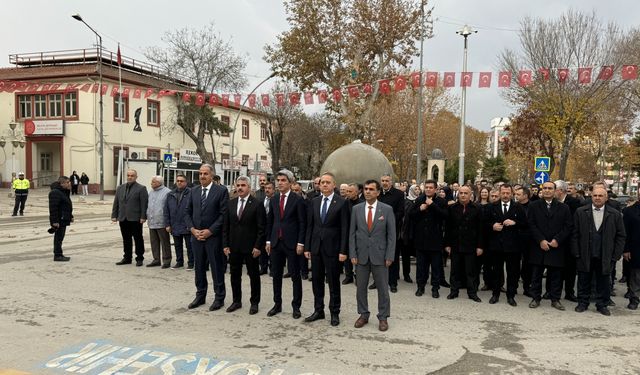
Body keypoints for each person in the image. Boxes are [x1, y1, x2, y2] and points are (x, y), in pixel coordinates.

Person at [304, 172, 350, 327]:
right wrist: (307, 247)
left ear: (334, 185)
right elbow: (310, 225)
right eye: (322, 182)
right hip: (316, 248)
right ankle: (319, 310)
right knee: (316, 281)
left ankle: (334, 312)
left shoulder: (342, 203)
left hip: (333, 249)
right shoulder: (314, 201)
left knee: (333, 281)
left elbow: (345, 229)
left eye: (327, 182)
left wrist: (343, 251)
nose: (324, 184)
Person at [350, 179, 396, 332]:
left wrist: (390, 255)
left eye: (371, 189)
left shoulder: (387, 210)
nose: (367, 191)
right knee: (360, 288)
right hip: (361, 255)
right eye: (366, 189)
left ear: (378, 192)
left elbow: (391, 235)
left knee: (383, 288)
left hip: (380, 256)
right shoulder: (356, 209)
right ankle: (363, 314)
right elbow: (352, 234)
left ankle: (383, 317)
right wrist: (353, 253)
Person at [572, 187, 626, 316]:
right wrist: (576, 252)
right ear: (591, 197)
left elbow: (621, 236)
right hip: (585, 253)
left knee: (604, 281)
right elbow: (574, 234)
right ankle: (583, 302)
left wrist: (616, 255)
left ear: (606, 198)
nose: (597, 198)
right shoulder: (580, 212)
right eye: (595, 195)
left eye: (600, 196)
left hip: (605, 255)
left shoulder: (615, 214)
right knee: (583, 279)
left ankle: (602, 304)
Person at [184, 164, 229, 311]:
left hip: (213, 237)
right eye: (200, 174)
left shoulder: (221, 191)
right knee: (199, 268)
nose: (202, 176)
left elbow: (224, 215)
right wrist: (192, 229)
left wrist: (210, 231)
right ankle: (200, 295)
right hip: (196, 236)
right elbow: (187, 212)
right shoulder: (193, 191)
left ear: (211, 176)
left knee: (216, 268)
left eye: (205, 174)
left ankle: (219, 297)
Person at [265, 169, 307, 319]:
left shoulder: (298, 200)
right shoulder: (274, 199)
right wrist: (269, 240)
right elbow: (270, 221)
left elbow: (303, 223)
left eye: (283, 180)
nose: (280, 183)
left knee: (295, 276)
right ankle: (277, 304)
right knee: (276, 275)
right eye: (278, 180)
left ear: (290, 183)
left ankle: (296, 306)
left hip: (292, 243)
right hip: (276, 242)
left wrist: (301, 242)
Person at [223, 176, 266, 315]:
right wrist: (225, 245)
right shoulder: (231, 203)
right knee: (234, 275)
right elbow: (226, 227)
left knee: (253, 275)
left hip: (251, 247)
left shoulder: (257, 204)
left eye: (243, 185)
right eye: (238, 185)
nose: (240, 188)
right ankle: (236, 301)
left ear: (249, 187)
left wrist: (258, 246)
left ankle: (255, 302)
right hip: (234, 246)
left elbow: (261, 228)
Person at [527, 181, 573, 311]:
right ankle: (535, 298)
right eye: (545, 188)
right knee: (536, 274)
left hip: (556, 246)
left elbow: (568, 226)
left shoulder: (564, 207)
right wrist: (541, 240)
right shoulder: (534, 206)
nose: (547, 190)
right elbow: (531, 224)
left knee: (556, 275)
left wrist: (557, 240)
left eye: (550, 188)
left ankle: (555, 299)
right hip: (538, 246)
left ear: (555, 190)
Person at [486, 184, 526, 306]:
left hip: (513, 246)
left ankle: (511, 295)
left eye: (507, 193)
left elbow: (525, 224)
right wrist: (492, 226)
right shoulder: (492, 207)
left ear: (511, 193)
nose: (505, 195)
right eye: (503, 193)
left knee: (512, 272)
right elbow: (484, 223)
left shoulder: (518, 207)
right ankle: (495, 294)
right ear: (499, 193)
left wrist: (515, 222)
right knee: (497, 271)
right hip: (496, 245)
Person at [409, 179, 448, 298]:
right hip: (421, 240)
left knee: (436, 267)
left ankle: (435, 288)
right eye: (426, 187)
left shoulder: (441, 201)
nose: (428, 189)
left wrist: (433, 205)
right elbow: (411, 216)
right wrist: (419, 210)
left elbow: (445, 216)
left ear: (435, 189)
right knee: (421, 266)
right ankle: (420, 287)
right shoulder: (419, 200)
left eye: (431, 187)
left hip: (435, 240)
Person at [445, 185, 484, 302]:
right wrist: (447, 244)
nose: (463, 195)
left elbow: (481, 229)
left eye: (465, 193)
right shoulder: (452, 208)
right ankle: (454, 291)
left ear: (470, 194)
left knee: (470, 271)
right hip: (456, 244)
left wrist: (480, 246)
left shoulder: (477, 208)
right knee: (455, 270)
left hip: (471, 245)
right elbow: (448, 227)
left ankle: (472, 293)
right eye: (461, 193)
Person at [112, 169, 148, 266]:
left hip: (136, 218)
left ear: (136, 177)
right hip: (123, 218)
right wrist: (114, 215)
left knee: (138, 238)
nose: (130, 177)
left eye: (132, 175)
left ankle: (139, 258)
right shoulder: (120, 188)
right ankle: (127, 257)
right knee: (126, 239)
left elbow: (144, 204)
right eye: (128, 175)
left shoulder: (141, 188)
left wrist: (143, 216)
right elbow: (116, 203)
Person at [555, 180, 582, 302]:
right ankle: (553, 291)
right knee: (555, 268)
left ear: (560, 191)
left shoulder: (575, 202)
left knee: (570, 269)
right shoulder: (553, 202)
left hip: (569, 241)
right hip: (555, 241)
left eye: (554, 189)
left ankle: (569, 292)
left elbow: (573, 223)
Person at [378, 174, 405, 293]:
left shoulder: (398, 194)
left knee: (392, 257)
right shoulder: (377, 193)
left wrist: (387, 220)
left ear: (391, 182)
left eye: (387, 181)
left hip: (392, 229)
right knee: (378, 257)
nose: (384, 183)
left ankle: (393, 283)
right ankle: (378, 281)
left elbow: (401, 212)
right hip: (377, 230)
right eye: (383, 181)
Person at [164, 174, 194, 269]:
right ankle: (179, 262)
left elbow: (194, 210)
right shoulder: (170, 194)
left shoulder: (191, 193)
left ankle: (191, 263)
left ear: (186, 182)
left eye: (182, 181)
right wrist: (167, 224)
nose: (179, 182)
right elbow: (166, 210)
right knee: (177, 245)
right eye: (178, 181)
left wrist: (191, 225)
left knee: (189, 246)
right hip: (175, 224)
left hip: (187, 225)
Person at [146, 176, 172, 268]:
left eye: (153, 182)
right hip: (152, 221)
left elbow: (169, 208)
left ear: (159, 183)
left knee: (165, 242)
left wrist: (169, 223)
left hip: (162, 222)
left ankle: (167, 260)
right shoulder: (151, 192)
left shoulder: (167, 192)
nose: (151, 183)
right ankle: (156, 259)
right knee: (154, 242)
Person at [48, 176, 73, 262]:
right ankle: (57, 255)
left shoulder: (63, 191)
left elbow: (66, 206)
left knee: (60, 237)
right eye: (67, 182)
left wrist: (70, 216)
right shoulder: (55, 193)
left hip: (64, 218)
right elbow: (53, 209)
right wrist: (55, 221)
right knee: (58, 238)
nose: (69, 183)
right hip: (59, 220)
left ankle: (59, 254)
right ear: (62, 183)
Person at [515, 186, 533, 297]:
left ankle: (527, 288)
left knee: (527, 265)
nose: (516, 196)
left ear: (525, 196)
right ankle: (513, 287)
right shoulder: (514, 206)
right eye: (515, 194)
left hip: (528, 240)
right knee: (514, 265)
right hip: (515, 239)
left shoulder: (533, 207)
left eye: (518, 194)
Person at [623, 192, 640, 310]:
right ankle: (634, 299)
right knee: (636, 276)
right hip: (636, 248)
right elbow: (625, 233)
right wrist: (626, 249)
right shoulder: (629, 211)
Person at [260, 181, 276, 275]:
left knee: (272, 248)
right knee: (262, 248)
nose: (267, 190)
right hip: (263, 227)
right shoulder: (261, 200)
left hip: (273, 227)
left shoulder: (276, 200)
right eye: (266, 188)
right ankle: (263, 267)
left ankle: (273, 268)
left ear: (274, 190)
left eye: (269, 188)